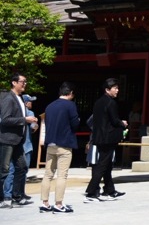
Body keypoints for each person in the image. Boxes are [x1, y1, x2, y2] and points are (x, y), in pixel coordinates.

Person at [85, 77, 128, 201]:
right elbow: (114, 121)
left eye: (117, 88)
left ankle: (110, 190)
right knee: (102, 165)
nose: (117, 90)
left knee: (107, 164)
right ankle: (91, 192)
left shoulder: (99, 102)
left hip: (99, 136)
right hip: (108, 137)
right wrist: (122, 123)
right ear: (107, 89)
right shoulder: (111, 103)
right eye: (115, 88)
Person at [39, 82, 80, 213]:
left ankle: (45, 202)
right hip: (65, 144)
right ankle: (58, 203)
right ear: (71, 93)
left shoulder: (50, 106)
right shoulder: (70, 105)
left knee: (48, 174)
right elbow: (75, 124)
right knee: (62, 175)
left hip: (50, 143)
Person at [0, 72, 38, 208]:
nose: (25, 84)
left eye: (25, 81)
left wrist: (31, 121)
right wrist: (25, 120)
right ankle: (4, 198)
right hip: (7, 139)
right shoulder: (8, 98)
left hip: (18, 140)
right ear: (14, 83)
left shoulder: (20, 98)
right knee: (4, 169)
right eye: (23, 82)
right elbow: (5, 119)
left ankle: (17, 196)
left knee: (21, 167)